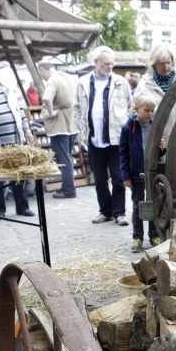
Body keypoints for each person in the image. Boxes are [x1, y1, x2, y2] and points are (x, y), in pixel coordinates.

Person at [73, 45, 131, 225]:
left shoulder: (120, 82)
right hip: (93, 139)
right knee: (99, 179)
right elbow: (76, 108)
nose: (110, 67)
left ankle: (119, 213)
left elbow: (131, 106)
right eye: (106, 64)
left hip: (116, 140)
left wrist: (125, 128)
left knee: (118, 178)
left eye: (112, 64)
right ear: (96, 62)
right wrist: (81, 130)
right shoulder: (83, 82)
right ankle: (105, 211)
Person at [0, 56, 35, 219]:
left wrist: (27, 129)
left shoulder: (7, 89)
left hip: (14, 140)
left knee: (18, 175)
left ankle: (22, 208)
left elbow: (20, 111)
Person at [119, 93, 165, 253]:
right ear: (136, 109)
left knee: (154, 204)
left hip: (152, 173)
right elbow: (123, 153)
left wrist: (162, 148)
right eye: (146, 110)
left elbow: (158, 154)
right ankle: (137, 237)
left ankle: (154, 235)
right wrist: (125, 175)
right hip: (136, 174)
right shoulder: (128, 128)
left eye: (152, 110)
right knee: (138, 206)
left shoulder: (154, 127)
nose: (150, 113)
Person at [134, 44, 176, 143]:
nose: (166, 67)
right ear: (154, 64)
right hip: (153, 141)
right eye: (161, 64)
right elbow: (137, 114)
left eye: (168, 62)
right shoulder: (144, 84)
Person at [38, 62, 77, 199]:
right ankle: (67, 186)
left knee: (63, 159)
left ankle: (68, 190)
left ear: (42, 69)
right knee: (68, 157)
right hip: (72, 123)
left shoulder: (53, 80)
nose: (41, 77)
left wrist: (51, 112)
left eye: (40, 73)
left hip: (59, 125)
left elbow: (46, 98)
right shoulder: (69, 77)